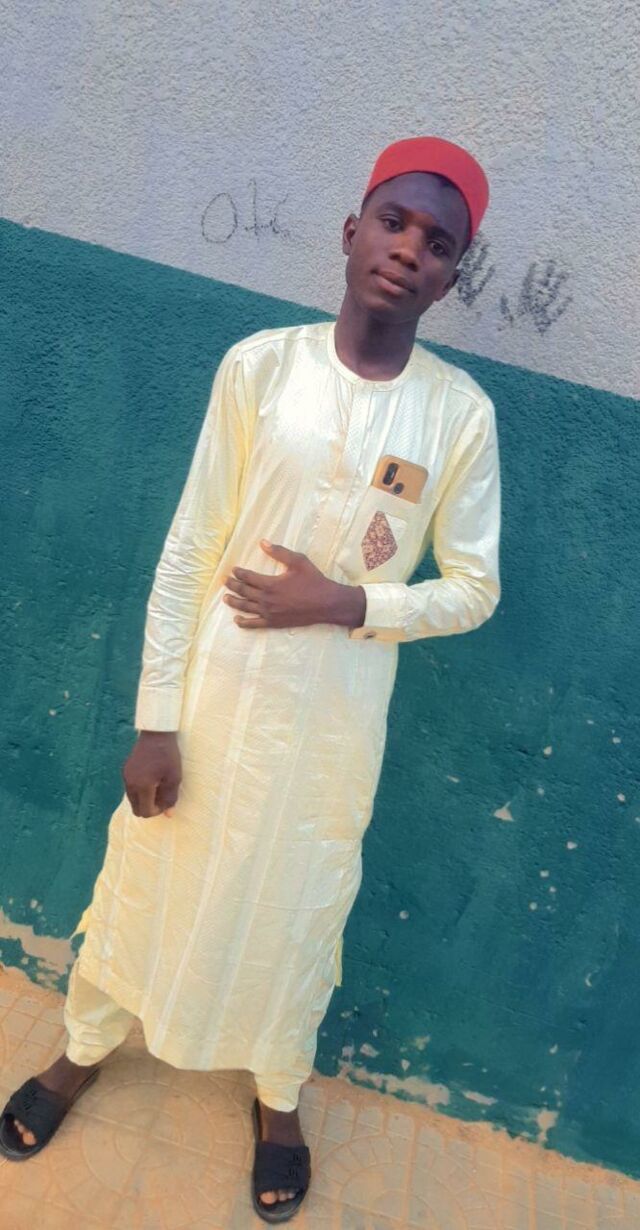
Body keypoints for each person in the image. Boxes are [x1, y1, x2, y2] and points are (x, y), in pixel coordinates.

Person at [0, 136, 501, 1222]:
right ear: (351, 232)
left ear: (452, 277)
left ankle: (278, 1099)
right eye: (394, 222)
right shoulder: (261, 368)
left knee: (298, 908)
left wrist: (347, 603)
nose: (408, 251)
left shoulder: (458, 415)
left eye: (438, 243)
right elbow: (191, 549)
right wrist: (156, 720)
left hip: (331, 728)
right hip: (214, 702)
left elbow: (473, 590)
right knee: (148, 878)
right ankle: (81, 1051)